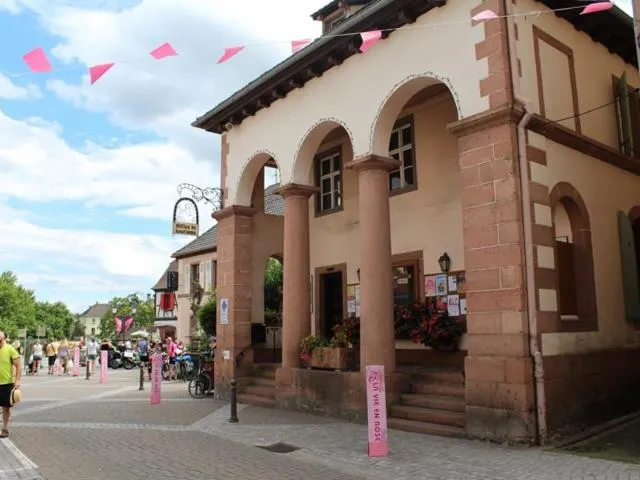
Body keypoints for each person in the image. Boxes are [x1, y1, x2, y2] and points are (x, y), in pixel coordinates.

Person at [0, 331, 21, 438]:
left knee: (6, 408)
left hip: (7, 383)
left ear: (3, 339)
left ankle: (5, 429)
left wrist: (17, 380)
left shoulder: (10, 349)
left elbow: (18, 366)